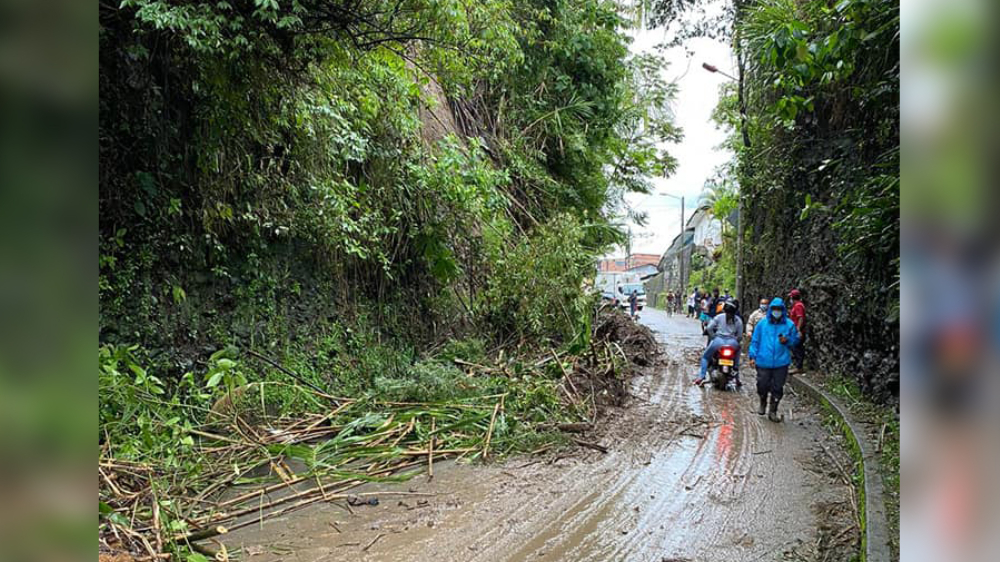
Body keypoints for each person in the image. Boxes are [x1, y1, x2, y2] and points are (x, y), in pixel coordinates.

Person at [748, 298, 800, 422]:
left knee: (777, 387)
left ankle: (773, 411)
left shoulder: (789, 325)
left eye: (779, 309)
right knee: (762, 384)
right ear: (771, 309)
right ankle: (762, 401)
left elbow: (795, 341)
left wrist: (787, 341)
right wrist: (752, 356)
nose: (776, 311)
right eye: (774, 309)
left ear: (783, 310)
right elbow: (755, 341)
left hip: (781, 362)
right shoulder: (762, 324)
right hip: (763, 360)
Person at [694, 300, 744, 386]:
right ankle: (737, 378)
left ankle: (701, 377)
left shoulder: (719, 317)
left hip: (718, 341)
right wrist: (736, 341)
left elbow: (709, 328)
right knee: (737, 356)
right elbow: (739, 336)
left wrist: (713, 337)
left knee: (705, 357)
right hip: (732, 342)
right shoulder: (738, 320)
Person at [787, 289, 807, 373]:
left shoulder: (798, 306)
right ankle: (797, 365)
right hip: (794, 330)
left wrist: (798, 329)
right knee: (795, 347)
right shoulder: (796, 306)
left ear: (792, 297)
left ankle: (799, 367)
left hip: (798, 330)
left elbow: (800, 318)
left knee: (797, 348)